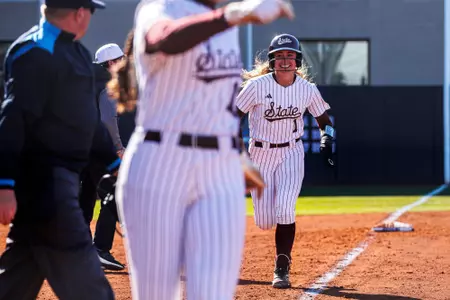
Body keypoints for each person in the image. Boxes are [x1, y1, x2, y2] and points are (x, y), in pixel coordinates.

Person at [107, 0, 294, 299]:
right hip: (160, 163)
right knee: (157, 294)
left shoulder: (224, 26)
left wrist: (237, 154)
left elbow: (220, 101)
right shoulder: (160, 8)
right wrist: (231, 16)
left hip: (218, 171)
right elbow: (163, 38)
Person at [0, 1, 120, 299]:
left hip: (54, 188)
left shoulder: (76, 52)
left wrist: (114, 167)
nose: (90, 17)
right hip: (48, 188)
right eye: (90, 11)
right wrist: (5, 183)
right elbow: (14, 119)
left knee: (14, 285)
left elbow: (87, 122)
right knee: (92, 291)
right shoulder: (34, 51)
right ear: (79, 12)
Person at [236, 33, 335, 289]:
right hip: (260, 155)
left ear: (297, 60)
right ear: (272, 61)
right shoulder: (256, 86)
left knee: (285, 208)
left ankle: (282, 266)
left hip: (291, 152)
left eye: (289, 55)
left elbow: (325, 121)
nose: (284, 61)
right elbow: (230, 117)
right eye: (279, 56)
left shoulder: (307, 90)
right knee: (265, 221)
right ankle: (280, 254)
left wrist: (327, 139)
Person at [78, 43, 126, 271]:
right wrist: (117, 147)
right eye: (120, 59)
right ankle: (100, 249)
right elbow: (108, 120)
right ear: (111, 63)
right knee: (112, 195)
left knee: (85, 196)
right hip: (96, 150)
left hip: (77, 148)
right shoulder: (108, 84)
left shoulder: (87, 81)